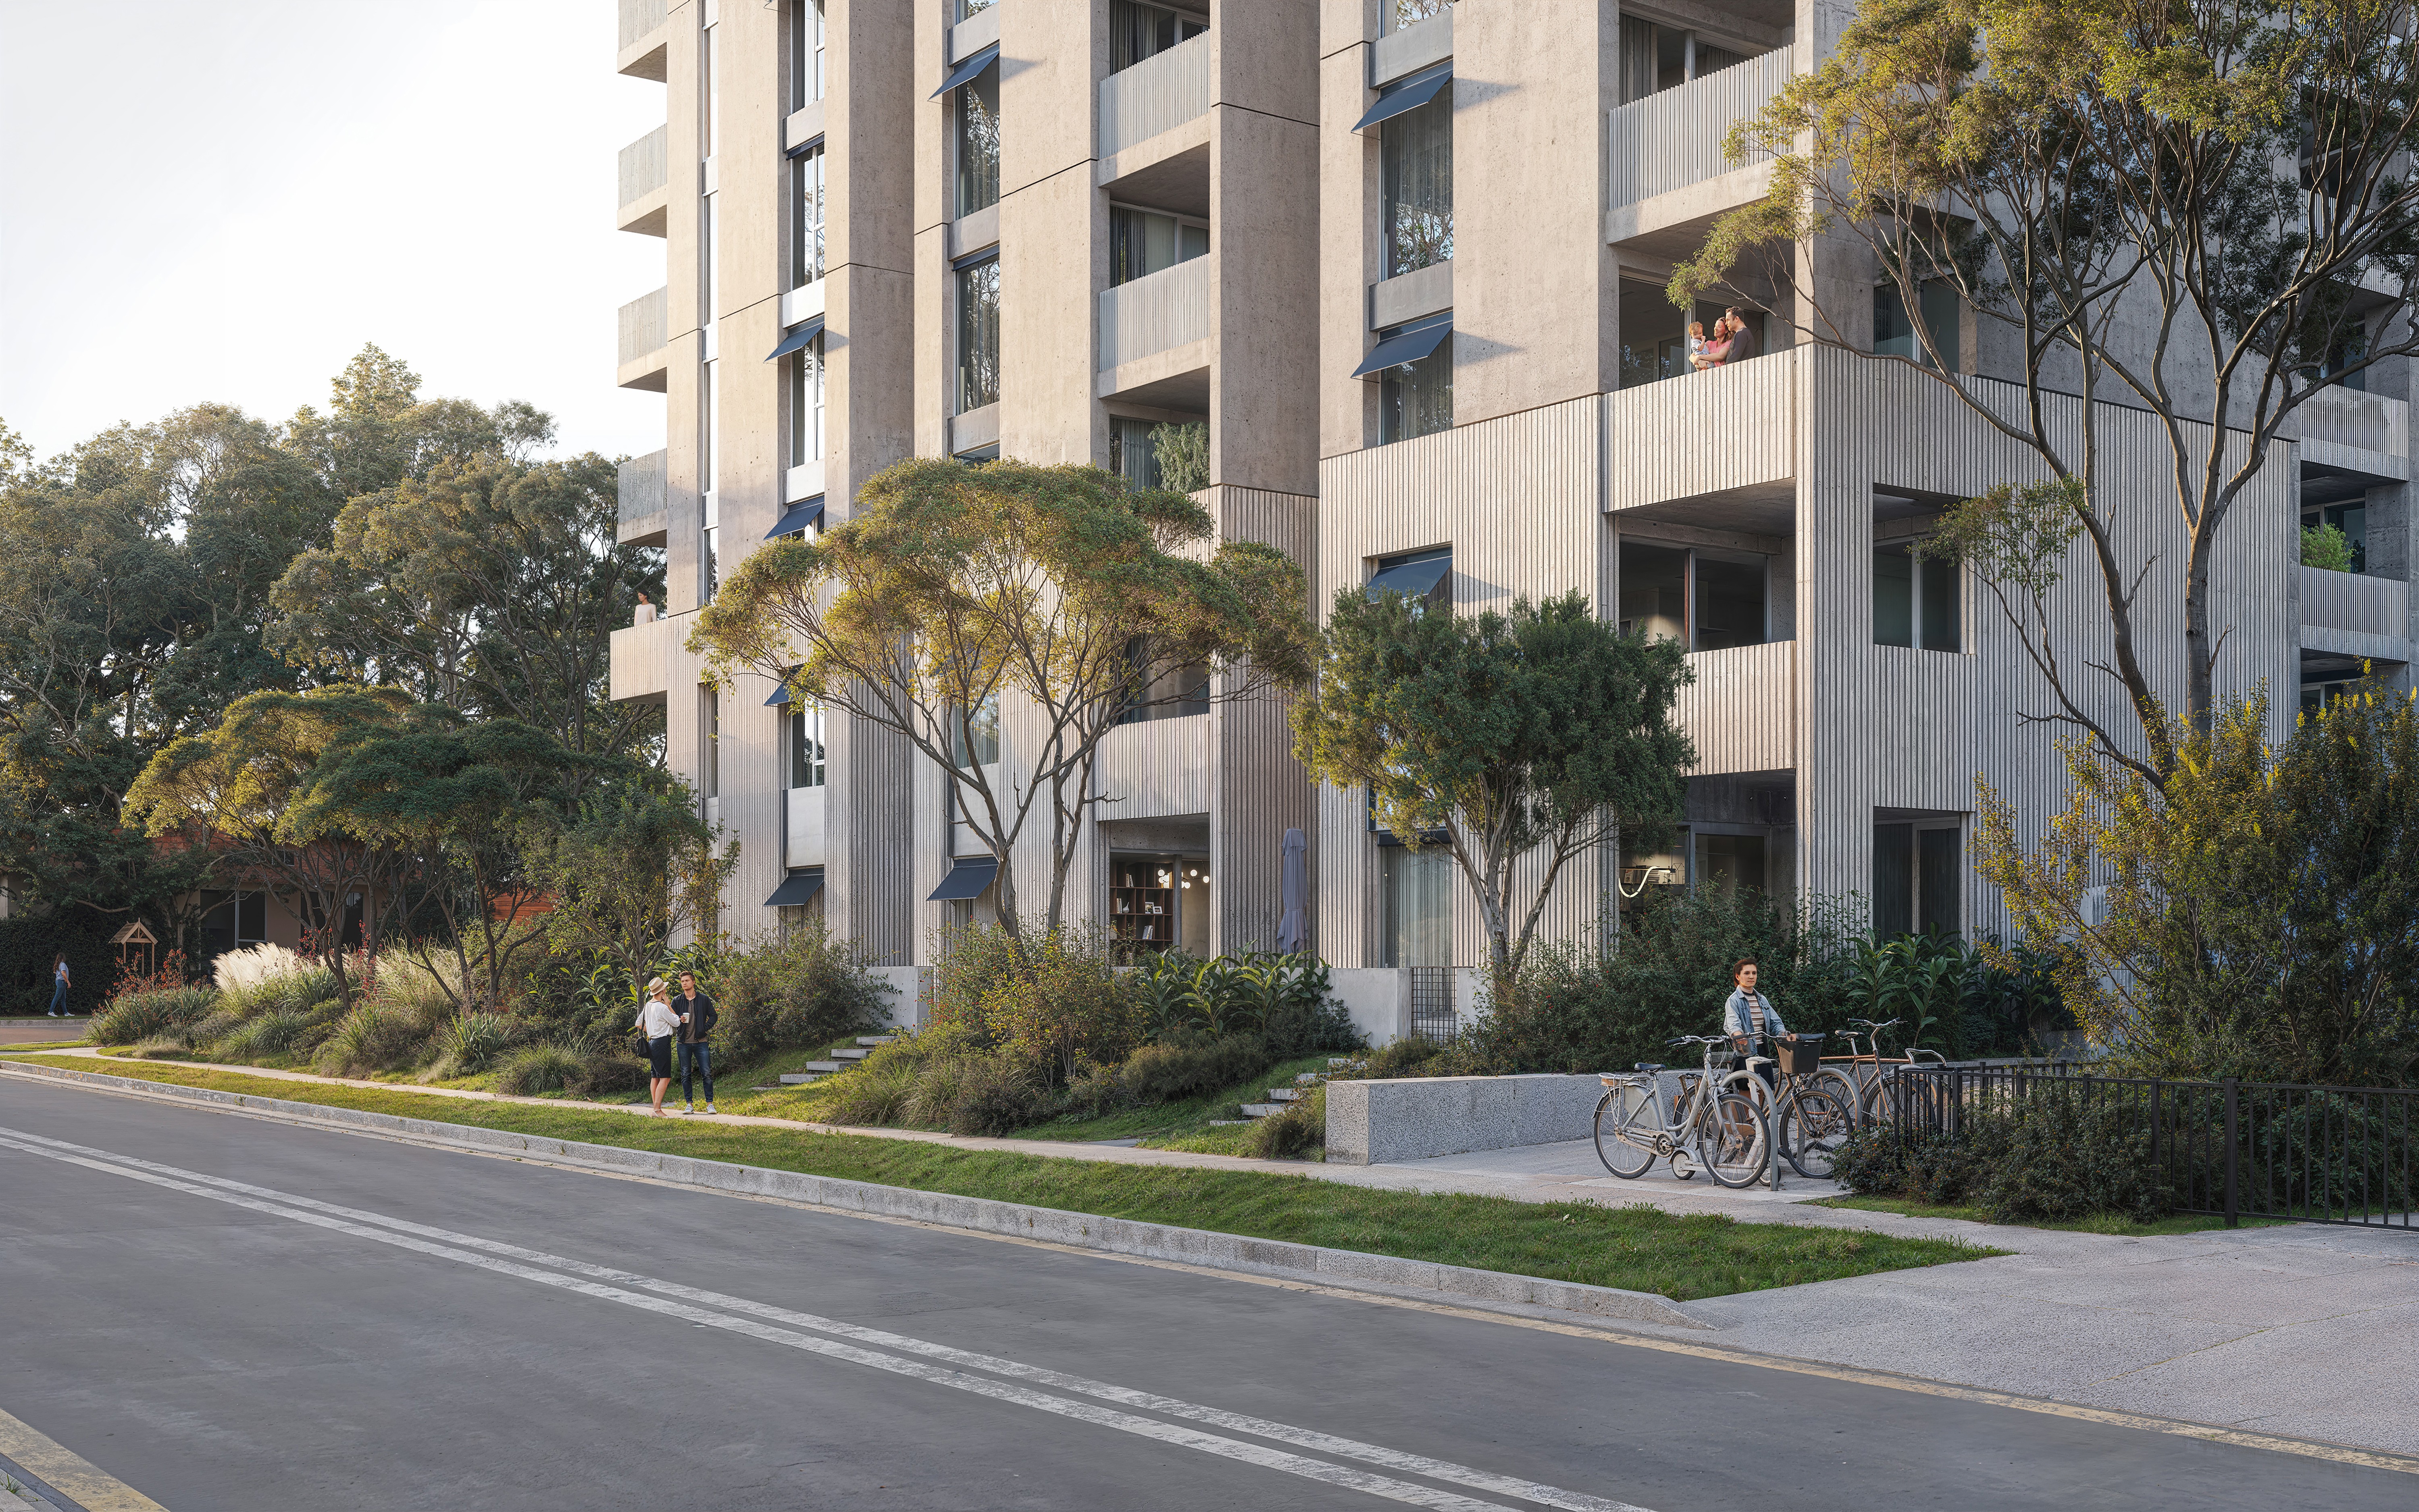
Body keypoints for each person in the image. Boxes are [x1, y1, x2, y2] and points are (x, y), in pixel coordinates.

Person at [1722, 957, 1785, 1092]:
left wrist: (1783, 1033)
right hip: (1745, 1054)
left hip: (1762, 1053)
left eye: (1754, 973)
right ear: (1738, 977)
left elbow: (1775, 1022)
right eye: (1747, 973)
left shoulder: (1762, 999)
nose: (1751, 977)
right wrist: (1739, 1036)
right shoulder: (1734, 1001)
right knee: (1747, 1095)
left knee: (1764, 1092)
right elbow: (1734, 1025)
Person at [672, 968, 719, 1115]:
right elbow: (671, 1020)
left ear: (693, 982)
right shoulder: (677, 1001)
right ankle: (689, 1105)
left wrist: (705, 1028)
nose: (684, 983)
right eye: (682, 981)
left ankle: (710, 1104)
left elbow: (714, 1016)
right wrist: (679, 1020)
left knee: (707, 1073)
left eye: (687, 981)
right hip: (683, 1043)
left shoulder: (704, 999)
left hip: (701, 1042)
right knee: (686, 1074)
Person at [634, 977, 681, 1116]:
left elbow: (638, 1023)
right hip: (662, 1044)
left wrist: (651, 1030)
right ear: (663, 990)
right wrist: (669, 1005)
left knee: (655, 1077)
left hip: (652, 1043)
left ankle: (656, 1109)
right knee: (665, 1078)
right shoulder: (662, 1007)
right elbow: (677, 1022)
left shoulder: (648, 1005)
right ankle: (657, 1110)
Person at [48, 953, 69, 1017]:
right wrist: (68, 982)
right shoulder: (62, 964)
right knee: (57, 997)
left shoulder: (58, 964)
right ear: (63, 958)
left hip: (60, 982)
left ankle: (66, 1013)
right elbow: (63, 973)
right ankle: (51, 1011)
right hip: (61, 982)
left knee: (63, 998)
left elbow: (55, 972)